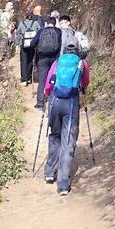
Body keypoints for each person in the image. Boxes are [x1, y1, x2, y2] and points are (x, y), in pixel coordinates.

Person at [43, 39, 90, 196]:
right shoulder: (82, 63)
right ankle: (63, 184)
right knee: (68, 141)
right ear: (77, 49)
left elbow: (49, 83)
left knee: (54, 135)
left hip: (55, 102)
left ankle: (50, 172)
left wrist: (46, 95)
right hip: (70, 103)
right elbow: (85, 83)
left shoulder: (57, 62)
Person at [32, 16, 61, 109]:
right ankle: (53, 100)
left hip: (42, 59)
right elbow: (61, 44)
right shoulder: (58, 31)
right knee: (54, 79)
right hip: (54, 59)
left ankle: (40, 102)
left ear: (46, 23)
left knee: (42, 81)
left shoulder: (41, 31)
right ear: (55, 23)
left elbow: (32, 43)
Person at [16, 6, 45, 85]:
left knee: (24, 61)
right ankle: (29, 78)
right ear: (32, 16)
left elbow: (18, 33)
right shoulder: (36, 23)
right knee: (30, 61)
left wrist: (17, 44)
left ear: (25, 16)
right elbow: (40, 31)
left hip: (24, 45)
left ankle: (23, 79)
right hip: (32, 45)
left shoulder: (22, 24)